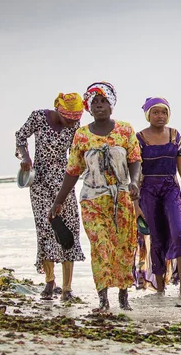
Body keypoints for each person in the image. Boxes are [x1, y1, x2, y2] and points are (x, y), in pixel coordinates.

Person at [50, 82, 141, 312]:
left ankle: (123, 296)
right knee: (100, 246)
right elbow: (73, 170)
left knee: (124, 247)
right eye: (95, 103)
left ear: (112, 105)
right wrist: (58, 202)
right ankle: (103, 299)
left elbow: (135, 160)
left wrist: (134, 182)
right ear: (89, 108)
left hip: (121, 199)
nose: (100, 106)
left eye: (104, 102)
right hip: (92, 200)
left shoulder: (125, 130)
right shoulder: (81, 135)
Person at [15, 93, 85, 301]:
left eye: (75, 118)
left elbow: (78, 152)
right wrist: (25, 157)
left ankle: (67, 287)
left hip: (65, 182)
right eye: (69, 118)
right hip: (40, 183)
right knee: (46, 230)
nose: (72, 122)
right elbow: (20, 137)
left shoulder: (74, 125)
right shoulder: (38, 117)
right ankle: (49, 281)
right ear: (58, 110)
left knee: (69, 230)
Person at [135, 97, 181, 299]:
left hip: (171, 188)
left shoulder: (175, 135)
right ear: (148, 115)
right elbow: (134, 172)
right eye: (155, 112)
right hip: (148, 190)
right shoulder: (139, 138)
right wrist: (135, 203)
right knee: (157, 238)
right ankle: (160, 289)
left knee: (178, 232)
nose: (160, 116)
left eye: (163, 112)